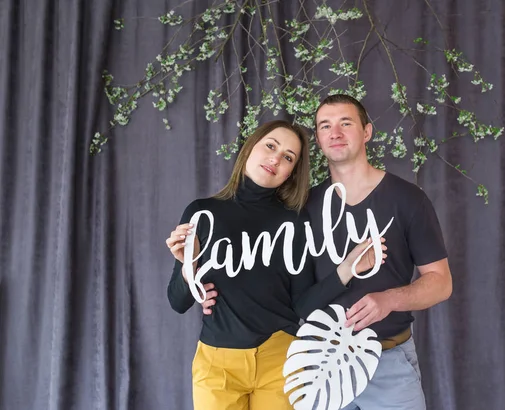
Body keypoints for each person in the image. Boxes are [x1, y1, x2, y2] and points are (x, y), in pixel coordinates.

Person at [165, 120, 385, 410]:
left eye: (288, 157)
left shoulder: (294, 222)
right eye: (271, 146)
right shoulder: (202, 212)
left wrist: (348, 268)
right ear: (250, 147)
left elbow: (303, 305)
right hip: (217, 364)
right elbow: (177, 301)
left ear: (291, 173)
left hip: (279, 360)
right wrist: (187, 268)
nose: (276, 159)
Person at [305, 94, 453, 410]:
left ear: (367, 132)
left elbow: (441, 282)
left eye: (346, 123)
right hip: (321, 367)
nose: (335, 133)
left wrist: (389, 300)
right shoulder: (304, 206)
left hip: (388, 362)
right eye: (325, 126)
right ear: (317, 138)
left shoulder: (409, 199)